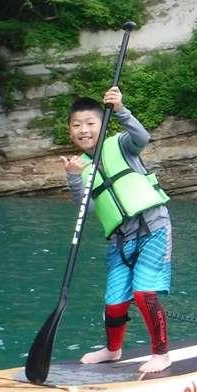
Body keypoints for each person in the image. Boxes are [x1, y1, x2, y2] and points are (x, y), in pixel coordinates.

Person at [58, 86, 174, 374]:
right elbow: (86, 206)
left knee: (143, 293)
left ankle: (161, 354)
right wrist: (73, 177)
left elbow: (142, 137)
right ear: (69, 130)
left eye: (90, 123)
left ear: (102, 124)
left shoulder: (121, 143)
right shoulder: (79, 165)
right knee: (114, 303)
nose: (83, 130)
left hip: (153, 226)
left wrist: (121, 109)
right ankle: (112, 350)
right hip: (121, 240)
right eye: (76, 125)